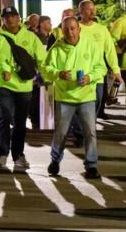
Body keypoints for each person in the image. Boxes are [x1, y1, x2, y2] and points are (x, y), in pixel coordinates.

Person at [43, 16, 105, 179]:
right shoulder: (56, 48)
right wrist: (58, 73)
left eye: (72, 28)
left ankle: (91, 165)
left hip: (86, 96)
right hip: (65, 97)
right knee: (61, 133)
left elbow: (101, 67)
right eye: (66, 29)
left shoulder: (91, 45)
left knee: (90, 132)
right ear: (61, 31)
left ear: (79, 29)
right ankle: (55, 160)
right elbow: (45, 69)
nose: (70, 32)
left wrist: (90, 77)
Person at [0, 6, 46, 171]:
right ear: (3, 19)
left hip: (24, 86)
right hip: (4, 85)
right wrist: (3, 71)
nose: (9, 19)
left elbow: (42, 59)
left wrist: (45, 77)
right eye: (6, 17)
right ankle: (3, 152)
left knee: (20, 123)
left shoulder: (30, 37)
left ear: (18, 18)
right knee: (5, 117)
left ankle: (18, 154)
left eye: (12, 16)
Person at [77, 0, 122, 119]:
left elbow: (110, 51)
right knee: (80, 106)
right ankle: (82, 132)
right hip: (81, 74)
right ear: (81, 11)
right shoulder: (75, 29)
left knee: (97, 104)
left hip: (98, 75)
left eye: (94, 9)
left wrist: (116, 71)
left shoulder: (102, 29)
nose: (93, 12)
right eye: (89, 9)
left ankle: (88, 128)